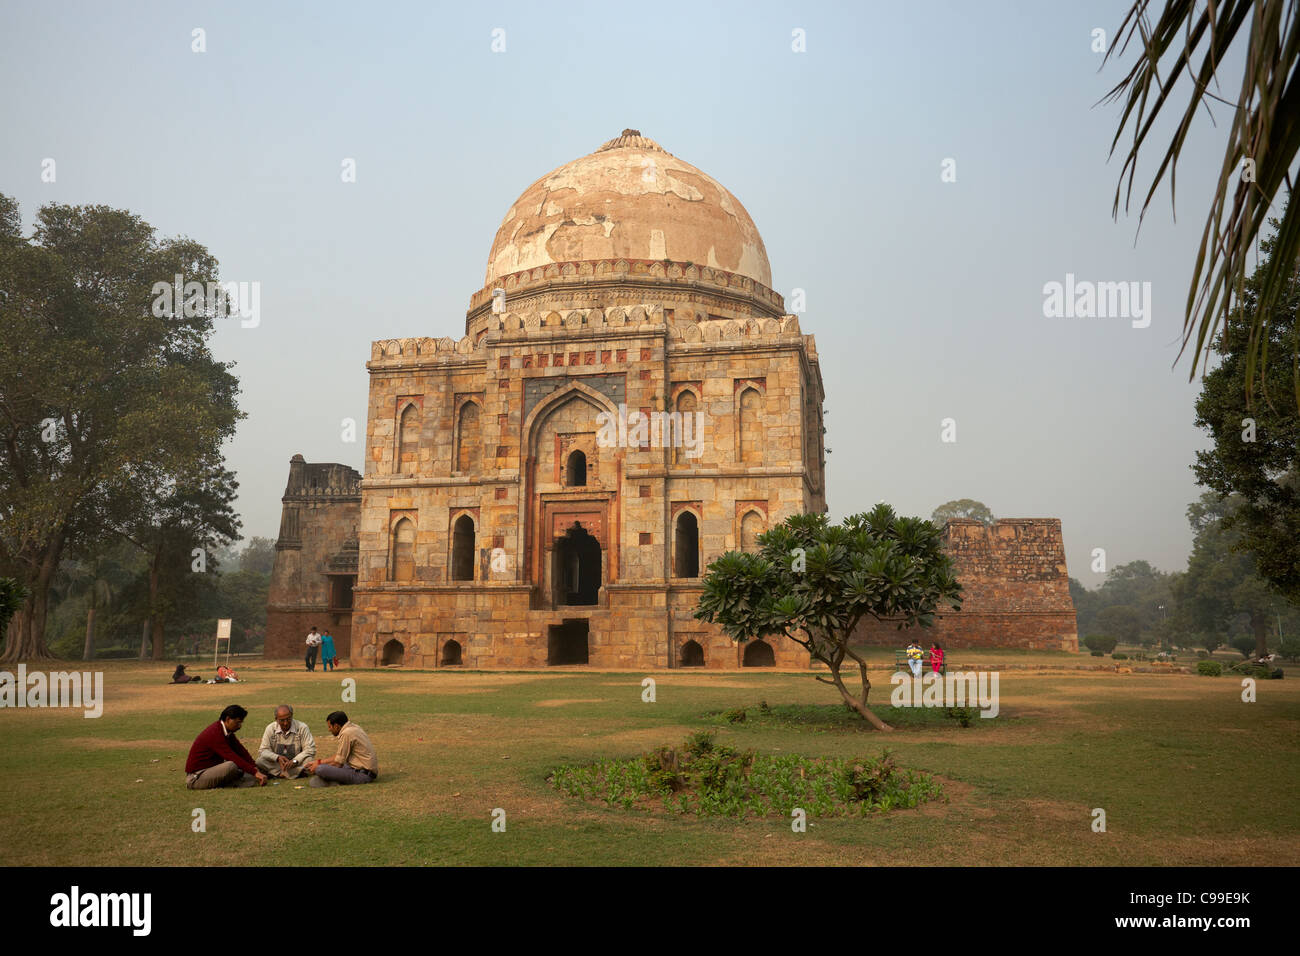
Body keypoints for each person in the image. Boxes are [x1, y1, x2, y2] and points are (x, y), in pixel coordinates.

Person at [184, 705, 267, 789]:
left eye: (241, 723)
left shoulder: (226, 731)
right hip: (196, 778)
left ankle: (238, 780)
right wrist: (255, 772)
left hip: (209, 771)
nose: (239, 726)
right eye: (238, 722)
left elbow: (241, 751)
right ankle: (234, 782)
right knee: (231, 766)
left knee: (244, 769)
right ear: (228, 719)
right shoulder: (215, 733)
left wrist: (255, 768)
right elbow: (231, 756)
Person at [307, 711, 378, 786]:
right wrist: (318, 762)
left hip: (362, 775)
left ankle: (333, 781)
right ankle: (334, 780)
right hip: (358, 769)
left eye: (330, 727)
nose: (329, 730)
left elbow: (338, 763)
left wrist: (318, 766)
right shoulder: (353, 727)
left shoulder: (346, 733)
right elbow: (340, 757)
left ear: (336, 726)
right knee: (321, 769)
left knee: (320, 769)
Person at [255, 704, 316, 779]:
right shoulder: (270, 728)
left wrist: (295, 761)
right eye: (282, 720)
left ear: (292, 715)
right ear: (276, 719)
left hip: (296, 763)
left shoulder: (302, 727)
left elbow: (310, 749)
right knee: (260, 761)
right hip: (278, 764)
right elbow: (263, 750)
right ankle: (294, 774)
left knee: (309, 760)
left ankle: (278, 774)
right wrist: (277, 758)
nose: (286, 723)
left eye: (288, 719)